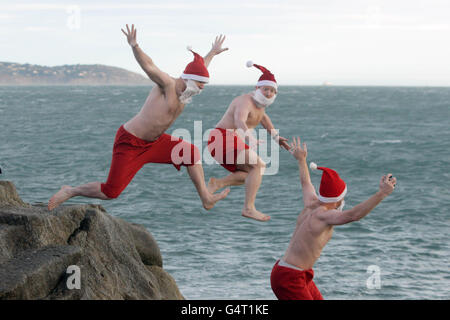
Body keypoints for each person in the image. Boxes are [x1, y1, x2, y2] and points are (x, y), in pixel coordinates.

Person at [48, 24, 230, 211]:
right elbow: (149, 66)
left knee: (191, 153)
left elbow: (201, 68)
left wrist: (212, 53)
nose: (202, 88)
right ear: (189, 79)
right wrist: (135, 46)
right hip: (130, 142)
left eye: (204, 84)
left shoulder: (187, 91)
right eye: (200, 84)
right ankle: (71, 191)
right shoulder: (167, 84)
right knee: (111, 192)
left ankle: (206, 198)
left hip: (155, 142)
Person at [270, 137, 397, 300]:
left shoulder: (311, 202)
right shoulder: (324, 215)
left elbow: (305, 182)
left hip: (297, 273)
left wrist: (301, 160)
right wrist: (382, 193)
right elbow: (353, 215)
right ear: (338, 199)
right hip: (290, 277)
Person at [206, 61, 290, 222]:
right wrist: (249, 137)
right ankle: (248, 208)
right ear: (257, 88)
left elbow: (264, 120)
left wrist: (276, 137)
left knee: (253, 173)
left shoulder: (260, 107)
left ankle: (217, 183)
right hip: (221, 138)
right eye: (266, 89)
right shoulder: (245, 100)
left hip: (230, 141)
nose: (269, 93)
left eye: (272, 91)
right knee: (258, 166)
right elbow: (239, 120)